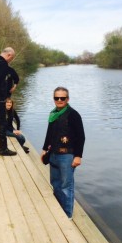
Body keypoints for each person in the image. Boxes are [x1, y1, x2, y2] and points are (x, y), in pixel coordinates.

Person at [41, 86, 85, 219]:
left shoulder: (73, 114)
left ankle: (67, 216)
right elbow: (49, 133)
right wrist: (44, 149)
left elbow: (81, 136)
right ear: (54, 99)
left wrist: (78, 156)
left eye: (62, 98)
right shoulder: (53, 114)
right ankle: (59, 210)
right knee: (55, 184)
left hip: (67, 155)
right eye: (56, 98)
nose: (59, 100)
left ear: (67, 99)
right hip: (53, 154)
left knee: (66, 186)